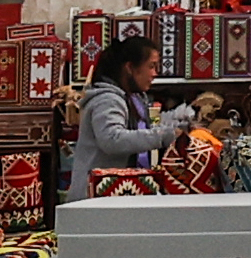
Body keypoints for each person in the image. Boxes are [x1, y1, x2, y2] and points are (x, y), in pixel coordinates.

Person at [67, 37, 172, 201]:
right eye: (150, 66)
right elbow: (112, 139)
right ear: (130, 67)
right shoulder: (108, 100)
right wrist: (163, 136)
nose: (154, 74)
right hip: (93, 200)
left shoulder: (135, 99)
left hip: (111, 194)